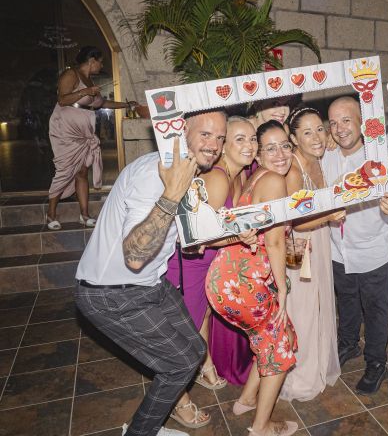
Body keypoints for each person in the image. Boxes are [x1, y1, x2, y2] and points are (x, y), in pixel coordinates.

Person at [75, 108, 227, 436]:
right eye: (206, 134)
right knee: (179, 364)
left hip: (147, 285)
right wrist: (171, 195)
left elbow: (173, 236)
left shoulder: (184, 173)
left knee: (195, 351)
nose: (214, 144)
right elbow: (134, 255)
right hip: (110, 293)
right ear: (182, 131)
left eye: (220, 137)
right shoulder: (155, 173)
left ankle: (152, 422)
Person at [206, 120, 299, 436]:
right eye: (270, 147)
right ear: (258, 152)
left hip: (227, 278)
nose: (280, 153)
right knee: (279, 347)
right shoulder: (272, 180)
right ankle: (261, 427)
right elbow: (273, 241)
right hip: (246, 283)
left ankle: (246, 400)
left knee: (275, 335)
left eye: (285, 145)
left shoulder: (253, 177)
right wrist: (282, 287)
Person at [163, 116, 256, 428]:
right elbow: (199, 237)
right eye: (239, 139)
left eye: (252, 139)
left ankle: (205, 367)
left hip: (211, 262)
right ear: (225, 146)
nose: (249, 145)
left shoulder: (239, 175)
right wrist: (240, 234)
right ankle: (178, 401)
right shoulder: (218, 179)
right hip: (190, 265)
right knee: (181, 334)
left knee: (202, 318)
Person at [323, 96, 388, 394]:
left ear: (362, 121)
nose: (339, 128)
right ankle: (348, 344)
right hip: (337, 246)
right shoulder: (326, 155)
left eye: (346, 120)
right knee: (345, 300)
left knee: (375, 308)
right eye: (333, 122)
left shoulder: (382, 157)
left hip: (373, 248)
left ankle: (375, 361)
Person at [280, 107, 344, 401]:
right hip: (300, 246)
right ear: (293, 138)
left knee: (319, 304)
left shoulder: (320, 159)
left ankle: (318, 363)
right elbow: (294, 220)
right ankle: (299, 374)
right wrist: (329, 218)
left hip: (320, 241)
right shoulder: (293, 169)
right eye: (307, 132)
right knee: (302, 310)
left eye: (320, 129)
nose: (316, 137)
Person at [47, 46, 137, 230]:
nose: (101, 64)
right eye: (100, 61)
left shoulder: (90, 80)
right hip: (65, 131)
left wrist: (126, 105)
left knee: (82, 171)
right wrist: (84, 92)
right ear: (92, 60)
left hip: (83, 133)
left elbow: (101, 103)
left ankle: (84, 214)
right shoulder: (71, 74)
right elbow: (63, 100)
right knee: (64, 170)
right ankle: (51, 213)